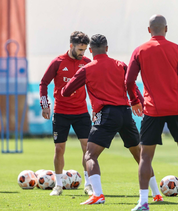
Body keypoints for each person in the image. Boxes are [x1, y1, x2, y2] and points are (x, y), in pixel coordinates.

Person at [61, 34, 163, 205]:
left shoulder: (86, 69)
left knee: (90, 155)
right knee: (140, 155)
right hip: (125, 113)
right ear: (107, 48)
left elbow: (66, 91)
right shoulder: (121, 65)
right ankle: (157, 193)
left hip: (107, 114)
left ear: (91, 50)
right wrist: (138, 102)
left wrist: (69, 85)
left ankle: (98, 195)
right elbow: (131, 84)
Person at [126, 15, 178, 211]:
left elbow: (128, 81)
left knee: (145, 157)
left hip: (153, 110)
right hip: (177, 108)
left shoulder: (140, 50)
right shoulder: (177, 49)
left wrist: (135, 101)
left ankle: (143, 202)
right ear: (166, 29)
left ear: (149, 30)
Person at [39, 31, 93, 196]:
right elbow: (44, 83)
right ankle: (58, 185)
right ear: (71, 46)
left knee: (88, 149)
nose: (82, 53)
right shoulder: (58, 62)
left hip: (81, 112)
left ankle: (88, 185)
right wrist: (45, 105)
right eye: (80, 49)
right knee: (59, 148)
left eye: (84, 49)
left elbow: (93, 86)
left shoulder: (87, 63)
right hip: (61, 112)